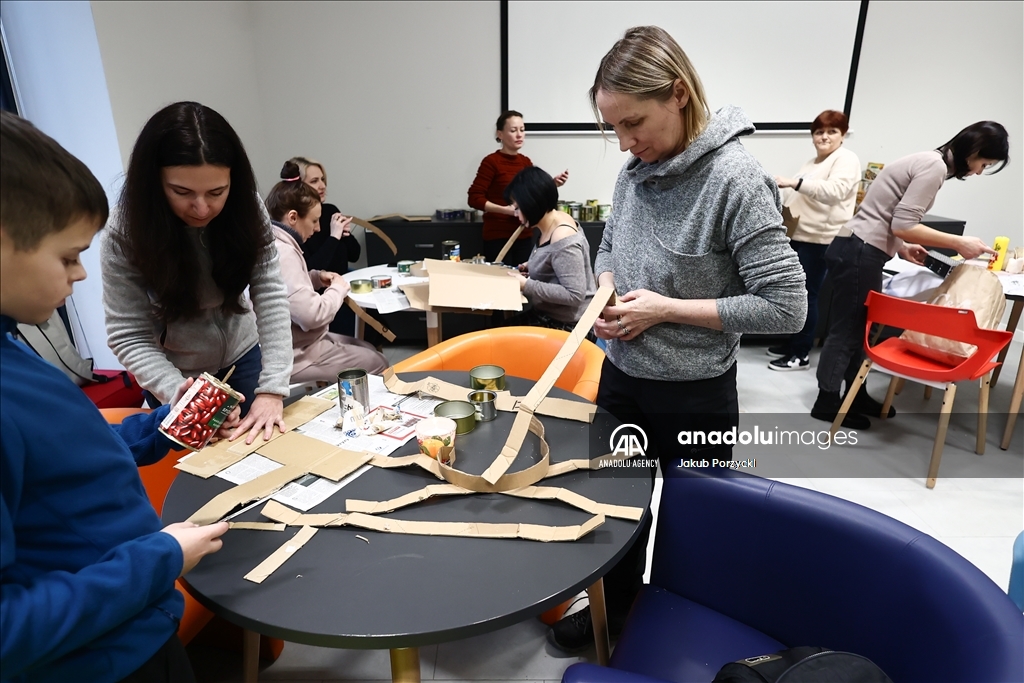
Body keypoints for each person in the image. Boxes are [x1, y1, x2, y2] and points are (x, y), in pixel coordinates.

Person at [547, 26, 807, 653]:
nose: (625, 143)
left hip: (694, 392)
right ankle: (618, 609)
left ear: (680, 94)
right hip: (622, 377)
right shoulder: (635, 171)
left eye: (633, 123)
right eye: (613, 128)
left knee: (697, 525)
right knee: (612, 510)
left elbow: (788, 308)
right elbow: (609, 246)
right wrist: (608, 284)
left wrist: (665, 310)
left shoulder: (736, 179)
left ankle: (679, 629)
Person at [1, 111, 228, 683]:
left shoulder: (15, 348)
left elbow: (61, 457)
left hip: (134, 630)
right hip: (99, 662)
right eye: (68, 255)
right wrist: (160, 557)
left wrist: (159, 429)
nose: (79, 274)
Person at [101, 102, 294, 445]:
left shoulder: (247, 209)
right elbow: (128, 333)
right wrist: (184, 397)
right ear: (154, 182)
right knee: (199, 476)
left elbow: (270, 293)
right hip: (177, 375)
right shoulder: (125, 231)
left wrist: (273, 389)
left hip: (244, 355)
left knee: (266, 453)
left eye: (217, 192)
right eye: (182, 192)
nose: (202, 208)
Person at [811, 121, 1007, 428]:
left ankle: (853, 393)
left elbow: (887, 213)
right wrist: (958, 241)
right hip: (859, 250)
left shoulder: (926, 160)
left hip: (856, 246)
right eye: (985, 164)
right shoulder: (934, 167)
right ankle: (827, 402)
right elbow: (903, 222)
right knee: (849, 329)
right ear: (976, 152)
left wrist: (902, 246)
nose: (980, 171)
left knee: (857, 326)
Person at [266, 162, 388, 382]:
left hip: (298, 344)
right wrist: (338, 290)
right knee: (379, 363)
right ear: (293, 217)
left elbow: (286, 289)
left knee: (368, 347)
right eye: (313, 221)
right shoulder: (283, 253)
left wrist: (315, 277)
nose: (318, 228)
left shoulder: (275, 242)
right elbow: (312, 316)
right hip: (297, 355)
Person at [767, 110, 861, 372]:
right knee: (795, 293)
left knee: (808, 295)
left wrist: (792, 182)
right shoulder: (814, 162)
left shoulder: (846, 159)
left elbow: (834, 192)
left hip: (821, 239)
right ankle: (793, 342)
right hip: (799, 235)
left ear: (843, 135)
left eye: (832, 131)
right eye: (819, 132)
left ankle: (800, 353)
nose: (824, 137)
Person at [467, 110, 569, 265]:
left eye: (522, 130)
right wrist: (506, 210)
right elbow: (474, 198)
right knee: (499, 280)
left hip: (524, 233)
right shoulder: (491, 162)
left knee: (522, 279)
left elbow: (530, 195)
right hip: (498, 235)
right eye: (513, 130)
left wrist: (552, 184)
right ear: (500, 134)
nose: (519, 135)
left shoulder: (525, 162)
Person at [502, 167, 597, 333]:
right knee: (493, 335)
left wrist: (526, 285)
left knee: (493, 343)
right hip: (548, 315)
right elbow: (552, 259)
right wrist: (532, 265)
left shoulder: (563, 237)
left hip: (568, 326)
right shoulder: (550, 222)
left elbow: (574, 295)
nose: (516, 215)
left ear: (532, 204)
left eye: (518, 208)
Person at [286, 156, 360, 336]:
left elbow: (355, 254)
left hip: (340, 282)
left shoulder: (329, 210)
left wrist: (345, 234)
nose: (322, 186)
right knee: (358, 323)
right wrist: (334, 237)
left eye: (322, 179)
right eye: (314, 181)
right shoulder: (297, 223)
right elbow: (309, 268)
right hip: (319, 294)